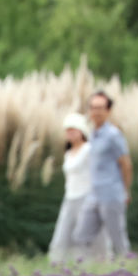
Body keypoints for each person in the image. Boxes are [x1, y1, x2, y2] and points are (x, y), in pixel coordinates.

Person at [73, 90, 133, 260]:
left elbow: (126, 164)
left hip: (111, 194)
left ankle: (130, 274)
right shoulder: (92, 134)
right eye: (93, 107)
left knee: (118, 240)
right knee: (81, 236)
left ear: (108, 111)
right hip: (94, 195)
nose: (96, 111)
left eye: (100, 108)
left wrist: (125, 191)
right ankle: (88, 274)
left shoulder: (113, 135)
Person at [48, 111, 91, 265]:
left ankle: (88, 268)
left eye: (74, 129)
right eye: (68, 130)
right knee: (62, 234)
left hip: (86, 198)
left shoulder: (88, 149)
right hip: (70, 198)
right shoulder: (69, 153)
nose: (70, 133)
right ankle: (58, 266)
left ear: (82, 131)